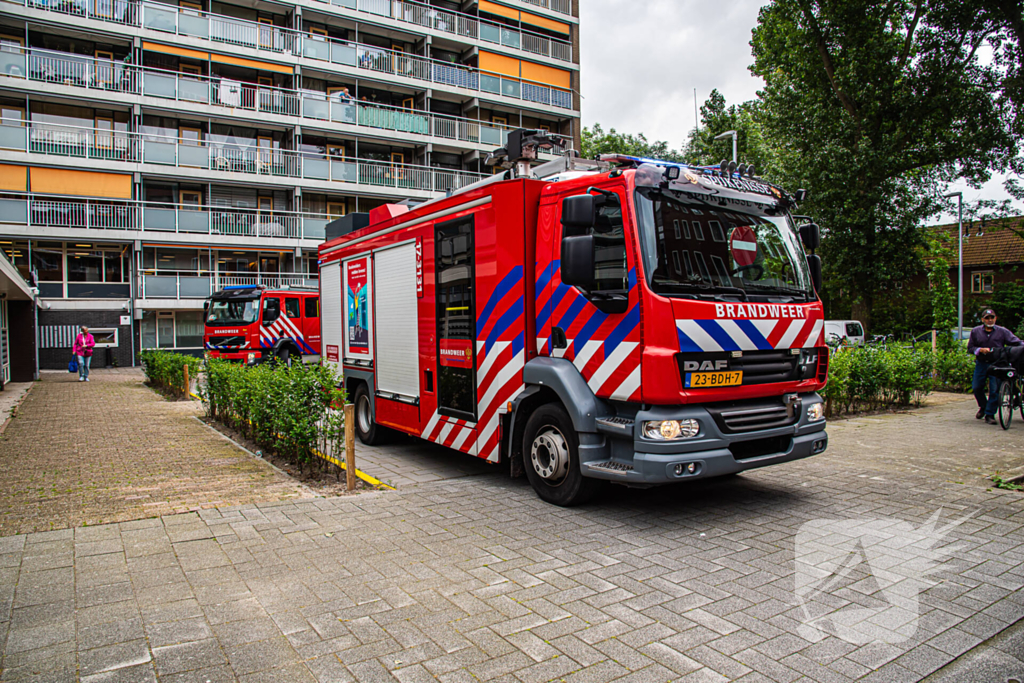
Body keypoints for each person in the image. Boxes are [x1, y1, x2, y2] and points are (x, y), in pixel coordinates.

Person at [968, 308, 1021, 424]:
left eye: (992, 317)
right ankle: (983, 406)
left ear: (995, 318)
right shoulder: (976, 331)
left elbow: (1016, 342)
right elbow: (970, 348)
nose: (990, 320)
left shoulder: (1002, 331)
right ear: (982, 319)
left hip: (997, 363)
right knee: (977, 387)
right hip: (982, 363)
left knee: (995, 389)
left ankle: (990, 414)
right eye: (987, 318)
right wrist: (979, 350)